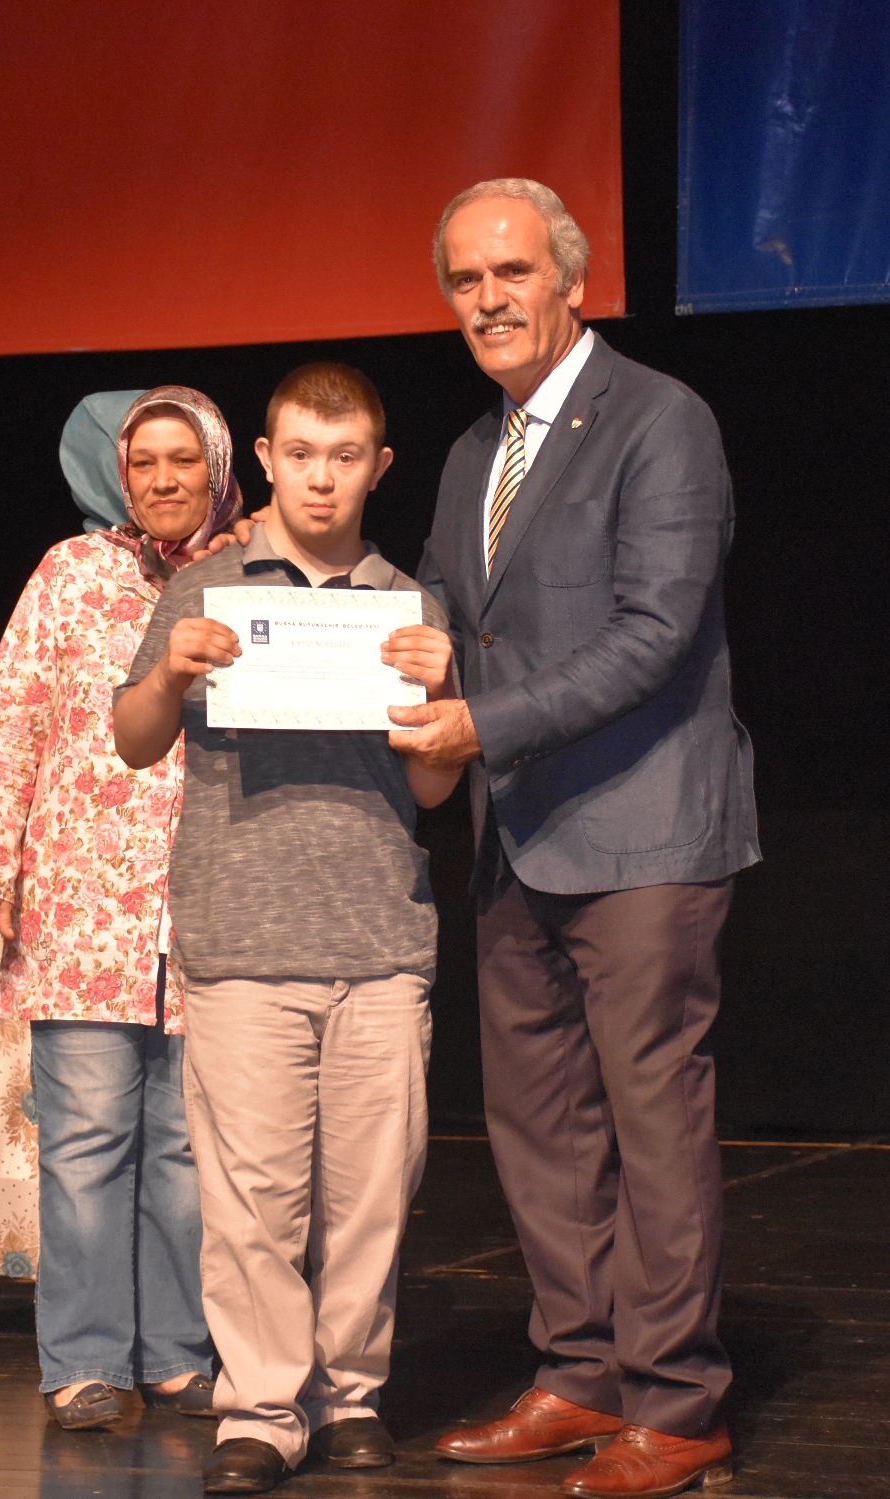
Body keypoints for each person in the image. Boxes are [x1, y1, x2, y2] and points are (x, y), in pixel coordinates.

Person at [387, 180, 760, 1499]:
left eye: (510, 272)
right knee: (539, 1124)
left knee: (651, 1121)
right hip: (517, 836)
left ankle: (677, 1398)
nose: (486, 299)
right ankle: (582, 1372)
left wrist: (478, 721)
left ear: (570, 280)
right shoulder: (469, 451)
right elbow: (443, 608)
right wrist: (364, 628)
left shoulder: (660, 419)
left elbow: (654, 633)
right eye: (464, 280)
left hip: (646, 831)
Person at [114, 363, 460, 1495]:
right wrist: (170, 671)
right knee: (252, 1201)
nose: (321, 478)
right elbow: (132, 740)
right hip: (243, 940)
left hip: (377, 940)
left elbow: (433, 791)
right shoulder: (205, 588)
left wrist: (441, 701)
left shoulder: (409, 605)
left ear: (378, 466)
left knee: (371, 1196)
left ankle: (348, 1394)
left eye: (344, 456)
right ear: (266, 458)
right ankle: (261, 1409)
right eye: (301, 454)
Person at [0, 385, 243, 1430]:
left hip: (209, 902)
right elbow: (6, 717)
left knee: (188, 1150)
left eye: (182, 460)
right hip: (81, 903)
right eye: (142, 462)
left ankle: (178, 1354)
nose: (161, 479)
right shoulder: (69, 572)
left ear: (217, 468)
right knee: (86, 1143)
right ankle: (86, 1361)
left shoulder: (249, 573)